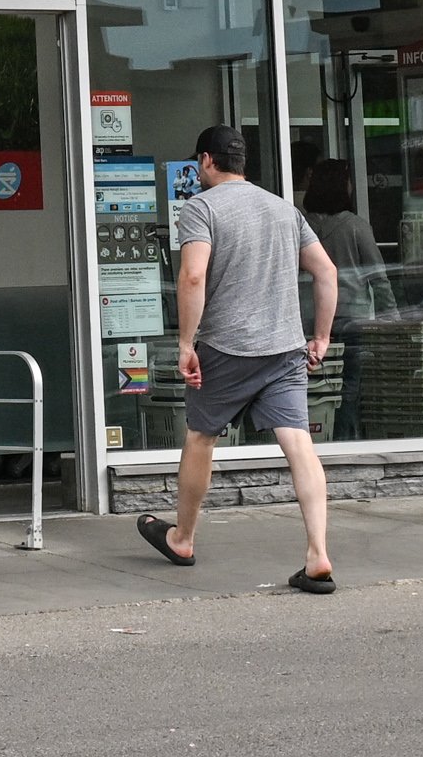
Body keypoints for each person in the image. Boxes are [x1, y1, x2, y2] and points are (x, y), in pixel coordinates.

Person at [135, 121, 341, 593]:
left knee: (201, 437)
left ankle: (182, 538)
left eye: (199, 162)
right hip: (285, 348)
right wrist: (321, 337)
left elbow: (192, 277)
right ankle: (317, 554)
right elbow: (326, 273)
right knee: (298, 444)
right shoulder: (284, 209)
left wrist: (186, 345)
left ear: (206, 161)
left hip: (226, 349)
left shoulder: (201, 207)